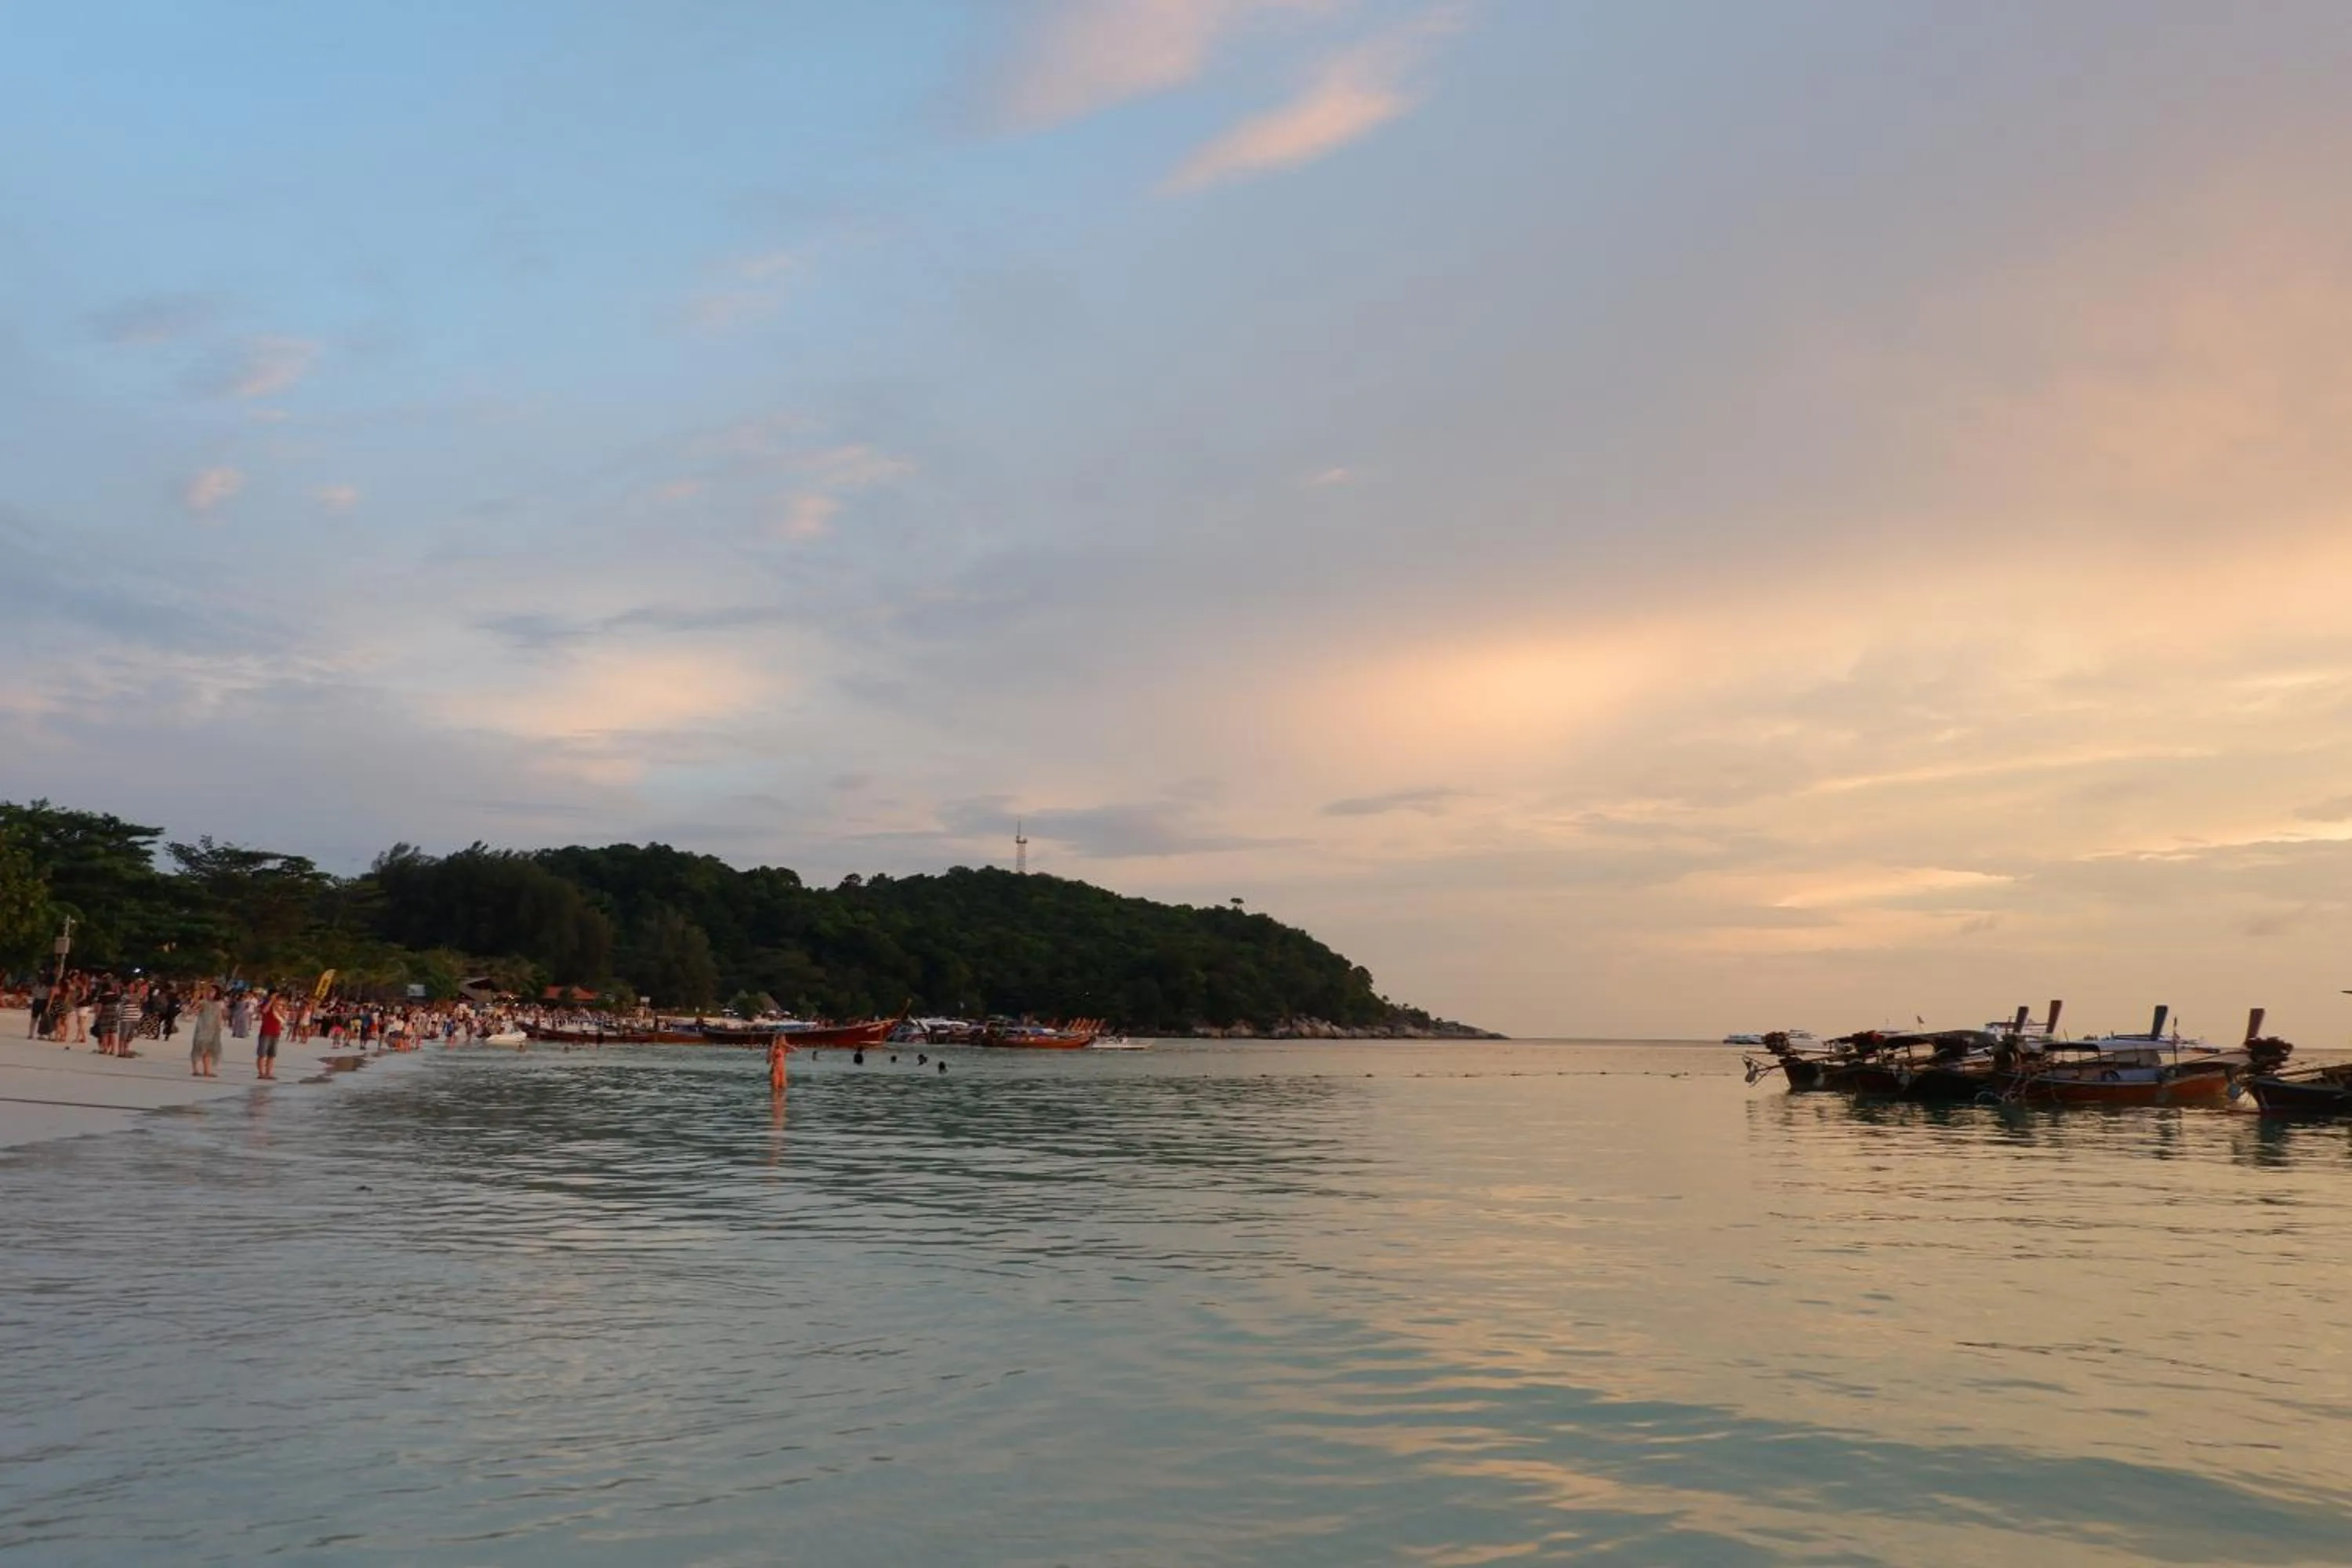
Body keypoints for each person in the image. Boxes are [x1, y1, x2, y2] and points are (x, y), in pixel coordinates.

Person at [189, 985, 225, 1078]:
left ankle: (207, 1070)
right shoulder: (203, 1002)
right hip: (202, 1027)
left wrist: (221, 1025)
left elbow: (220, 1015)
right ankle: (195, 1069)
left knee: (209, 1050)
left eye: (212, 991)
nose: (210, 993)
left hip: (214, 1029)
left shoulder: (220, 1003)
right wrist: (195, 1004)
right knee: (198, 1048)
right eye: (209, 991)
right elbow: (194, 1011)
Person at [256, 992, 285, 1080]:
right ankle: (261, 1073)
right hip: (266, 1032)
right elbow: (264, 1011)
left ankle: (269, 1073)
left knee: (272, 1055)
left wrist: (279, 1008)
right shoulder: (266, 1004)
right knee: (262, 1054)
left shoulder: (280, 1007)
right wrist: (271, 1001)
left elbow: (283, 1017)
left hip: (276, 1033)